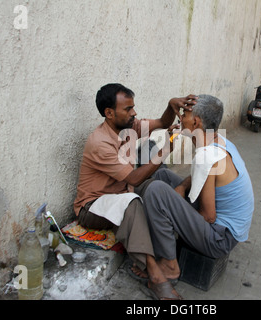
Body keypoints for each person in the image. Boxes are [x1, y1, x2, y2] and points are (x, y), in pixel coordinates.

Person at [73, 83, 198, 300]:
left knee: (155, 188)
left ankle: (174, 247)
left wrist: (171, 105)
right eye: (128, 109)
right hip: (93, 206)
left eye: (133, 107)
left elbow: (162, 123)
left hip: (122, 191)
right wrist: (162, 154)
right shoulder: (100, 142)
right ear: (109, 113)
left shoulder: (128, 127)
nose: (134, 113)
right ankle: (155, 273)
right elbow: (134, 178)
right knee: (132, 202)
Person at [139, 95, 254, 294]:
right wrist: (182, 189)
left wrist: (176, 216)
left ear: (196, 122)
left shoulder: (206, 155)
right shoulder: (219, 141)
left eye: (184, 114)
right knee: (164, 176)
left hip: (219, 238)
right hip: (226, 229)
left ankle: (169, 267)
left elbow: (209, 216)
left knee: (156, 191)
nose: (180, 117)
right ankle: (163, 236)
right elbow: (205, 174)